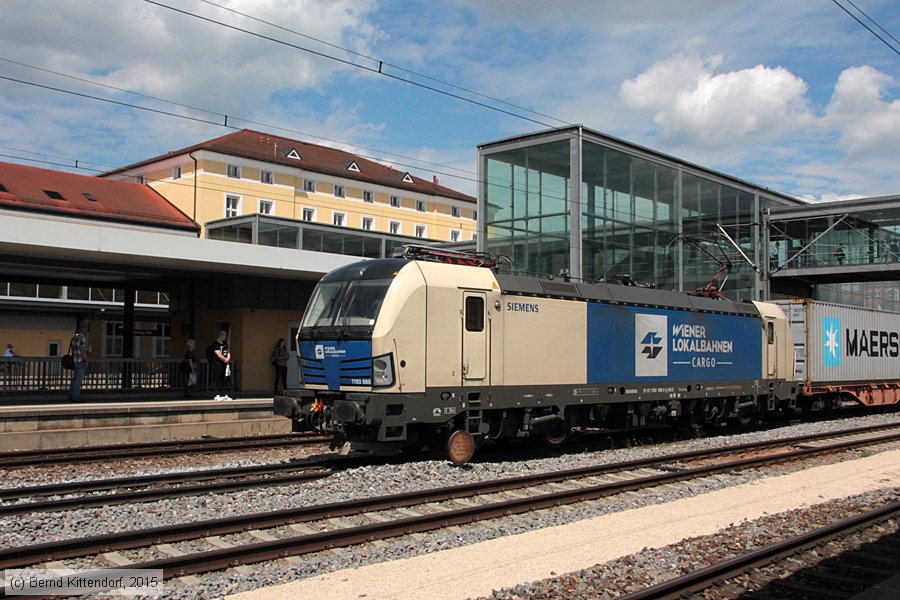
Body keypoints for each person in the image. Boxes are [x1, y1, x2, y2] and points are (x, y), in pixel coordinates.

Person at [209, 330, 232, 401]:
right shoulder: (215, 344)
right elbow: (218, 354)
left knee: (225, 379)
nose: (225, 337)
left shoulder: (225, 344)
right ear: (221, 335)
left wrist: (228, 358)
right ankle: (216, 394)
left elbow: (228, 352)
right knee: (217, 379)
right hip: (217, 364)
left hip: (225, 364)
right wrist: (225, 359)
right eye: (224, 336)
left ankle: (224, 394)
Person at [68, 325, 89, 402]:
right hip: (80, 361)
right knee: (78, 380)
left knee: (74, 380)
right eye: (86, 330)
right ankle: (75, 397)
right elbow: (82, 350)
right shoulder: (82, 339)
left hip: (74, 361)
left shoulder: (73, 338)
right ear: (82, 330)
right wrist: (86, 360)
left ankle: (71, 395)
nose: (87, 332)